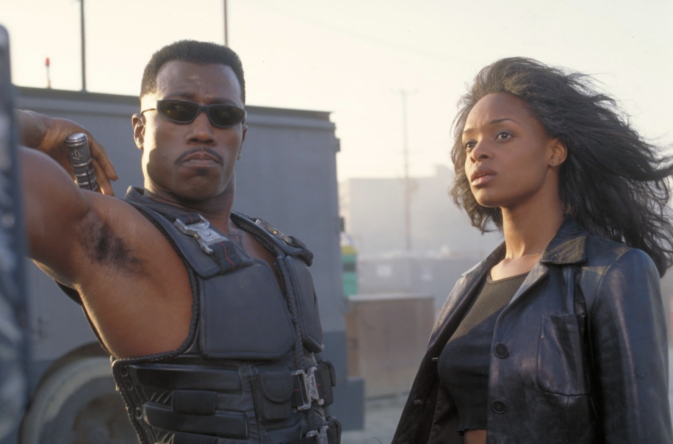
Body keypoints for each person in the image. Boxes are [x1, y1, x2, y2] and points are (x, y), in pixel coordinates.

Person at [19, 40, 340, 444]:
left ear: (242, 136)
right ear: (140, 130)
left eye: (224, 116)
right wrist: (37, 127)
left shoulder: (272, 245)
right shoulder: (113, 235)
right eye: (178, 110)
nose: (202, 132)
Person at [393, 57, 673, 444]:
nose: (478, 152)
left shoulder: (613, 272)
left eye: (502, 135)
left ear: (554, 152)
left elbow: (641, 430)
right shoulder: (467, 286)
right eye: (470, 143)